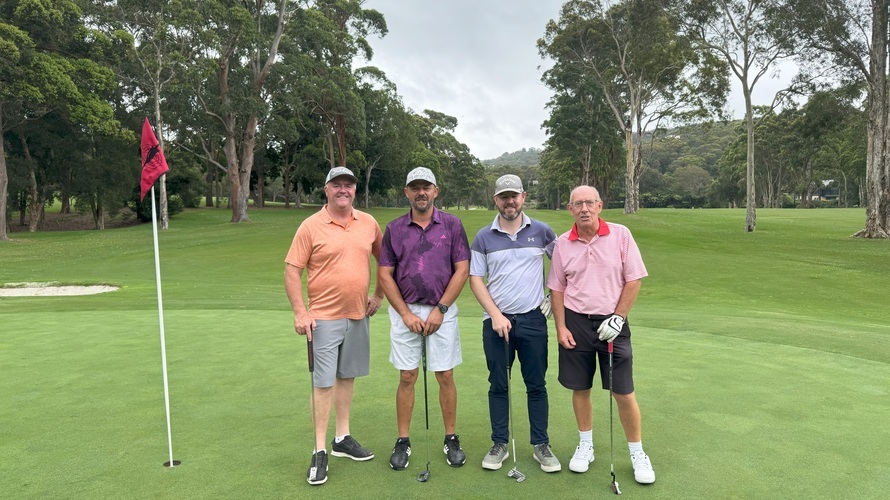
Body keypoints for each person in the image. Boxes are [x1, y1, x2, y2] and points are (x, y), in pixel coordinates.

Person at [546, 185, 656, 484]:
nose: (584, 209)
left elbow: (634, 279)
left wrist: (618, 317)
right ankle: (586, 445)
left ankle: (637, 452)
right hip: (576, 323)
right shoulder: (562, 244)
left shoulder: (621, 235)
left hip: (613, 323)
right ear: (570, 209)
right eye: (578, 204)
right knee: (580, 387)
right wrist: (560, 327)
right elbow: (557, 288)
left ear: (599, 206)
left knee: (623, 391)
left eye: (589, 203)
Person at [284, 166, 384, 486]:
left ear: (355, 190)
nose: (343, 189)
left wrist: (378, 295)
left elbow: (385, 261)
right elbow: (292, 270)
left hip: (357, 315)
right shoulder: (311, 226)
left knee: (346, 376)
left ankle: (342, 438)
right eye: (337, 184)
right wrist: (300, 313)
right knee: (323, 383)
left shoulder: (368, 223)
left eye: (348, 185)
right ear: (326, 189)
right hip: (323, 318)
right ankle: (319, 450)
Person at [377, 166, 471, 471]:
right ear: (407, 192)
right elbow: (384, 274)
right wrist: (405, 313)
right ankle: (403, 440)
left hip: (441, 309)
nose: (421, 192)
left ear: (435, 191)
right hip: (404, 310)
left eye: (426, 187)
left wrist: (440, 309)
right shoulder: (394, 229)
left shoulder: (452, 225)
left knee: (445, 374)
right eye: (415, 187)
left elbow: (462, 269)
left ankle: (451, 437)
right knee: (407, 375)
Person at [468, 174, 562, 473]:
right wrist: (495, 314)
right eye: (503, 196)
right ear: (495, 200)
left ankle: (541, 444)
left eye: (514, 196)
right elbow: (475, 279)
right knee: (498, 385)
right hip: (496, 322)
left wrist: (552, 296)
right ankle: (499, 443)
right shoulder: (484, 237)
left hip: (533, 319)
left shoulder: (543, 232)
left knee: (536, 384)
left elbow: (565, 267)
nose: (509, 201)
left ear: (523, 197)